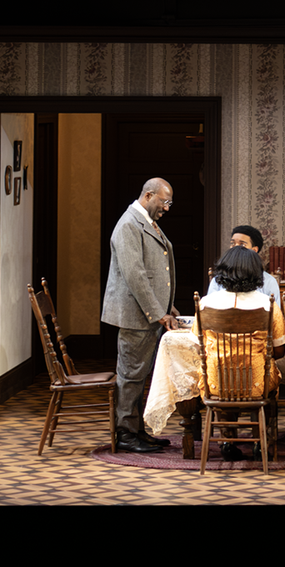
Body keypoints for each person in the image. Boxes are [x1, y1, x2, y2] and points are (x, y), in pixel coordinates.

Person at [100, 177, 177, 452]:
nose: (166, 208)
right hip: (136, 316)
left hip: (148, 314)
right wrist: (158, 313)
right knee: (131, 376)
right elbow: (136, 276)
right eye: (164, 201)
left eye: (169, 203)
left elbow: (154, 270)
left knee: (140, 376)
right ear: (148, 195)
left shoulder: (144, 221)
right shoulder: (128, 225)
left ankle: (137, 430)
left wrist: (166, 307)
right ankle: (125, 434)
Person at [198, 245, 280, 460]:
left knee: (224, 380)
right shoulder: (268, 304)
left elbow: (198, 346)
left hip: (217, 383)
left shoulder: (205, 304)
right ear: (256, 273)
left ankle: (227, 440)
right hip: (257, 384)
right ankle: (260, 440)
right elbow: (279, 350)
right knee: (265, 380)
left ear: (222, 271)